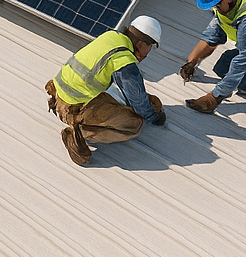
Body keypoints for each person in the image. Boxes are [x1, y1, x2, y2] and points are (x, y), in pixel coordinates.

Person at [45, 15, 167, 166]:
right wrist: (154, 117)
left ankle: (80, 120)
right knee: (134, 124)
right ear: (141, 44)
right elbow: (137, 100)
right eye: (150, 47)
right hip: (72, 107)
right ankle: (79, 132)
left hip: (59, 94)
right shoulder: (124, 60)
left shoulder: (111, 36)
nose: (148, 53)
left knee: (123, 97)